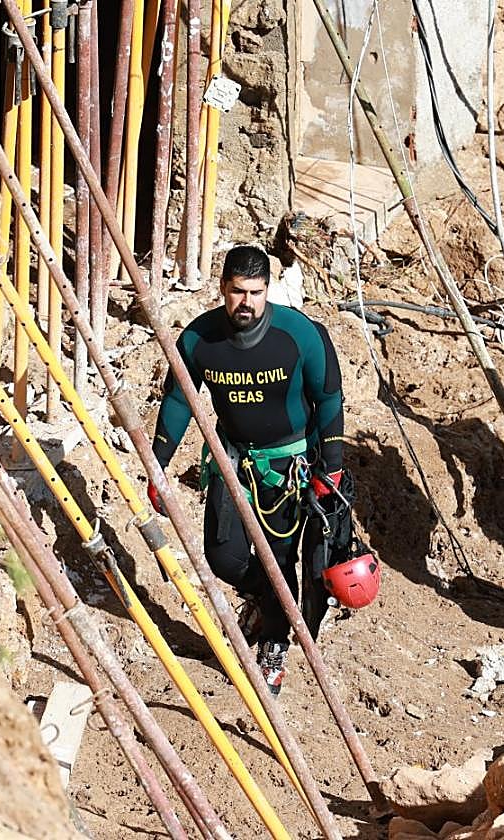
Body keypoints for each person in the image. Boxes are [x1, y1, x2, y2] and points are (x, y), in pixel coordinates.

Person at [148, 245, 361, 696]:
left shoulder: (300, 336)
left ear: (268, 290)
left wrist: (332, 468)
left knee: (279, 562)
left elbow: (329, 399)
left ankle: (274, 644)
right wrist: (158, 465)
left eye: (255, 293)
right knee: (223, 557)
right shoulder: (199, 339)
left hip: (290, 468)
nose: (246, 302)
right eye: (237, 292)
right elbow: (178, 399)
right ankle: (266, 604)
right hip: (232, 461)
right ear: (222, 288)